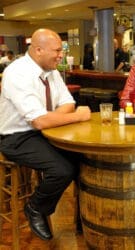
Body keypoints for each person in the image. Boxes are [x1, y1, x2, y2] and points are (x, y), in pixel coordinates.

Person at [0, 28, 91, 241]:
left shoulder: (51, 71)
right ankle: (35, 207)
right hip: (16, 137)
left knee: (85, 160)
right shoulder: (18, 73)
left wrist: (50, 118)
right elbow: (40, 121)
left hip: (44, 131)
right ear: (38, 50)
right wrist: (77, 117)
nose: (62, 55)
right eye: (57, 50)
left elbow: (68, 102)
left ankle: (84, 218)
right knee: (62, 170)